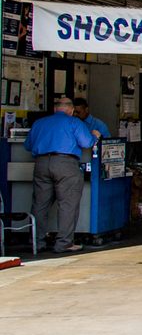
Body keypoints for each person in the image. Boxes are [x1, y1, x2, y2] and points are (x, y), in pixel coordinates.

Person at [24, 96, 100, 253]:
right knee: (67, 204)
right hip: (66, 164)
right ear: (71, 111)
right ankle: (64, 243)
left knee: (40, 205)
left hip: (41, 164)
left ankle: (37, 242)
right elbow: (87, 143)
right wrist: (95, 136)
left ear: (55, 109)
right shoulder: (74, 122)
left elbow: (28, 145)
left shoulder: (39, 123)